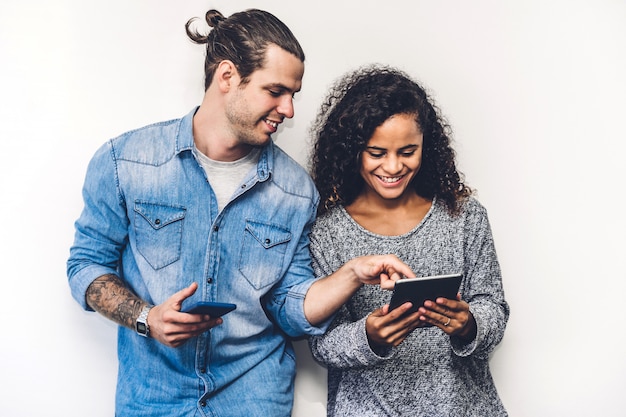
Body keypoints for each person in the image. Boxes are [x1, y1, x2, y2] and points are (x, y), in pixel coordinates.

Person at [66, 10, 413, 417]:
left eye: (293, 94)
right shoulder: (125, 162)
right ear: (228, 76)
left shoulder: (296, 190)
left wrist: (352, 273)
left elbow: (289, 307)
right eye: (276, 91)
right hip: (153, 399)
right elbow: (86, 266)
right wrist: (146, 318)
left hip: (254, 400)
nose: (288, 109)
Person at [307, 65, 510, 416]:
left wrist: (469, 323)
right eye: (376, 152)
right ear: (352, 150)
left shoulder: (465, 217)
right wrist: (368, 336)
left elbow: (495, 309)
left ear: (425, 147)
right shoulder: (326, 232)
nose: (392, 166)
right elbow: (320, 344)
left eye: (407, 151)